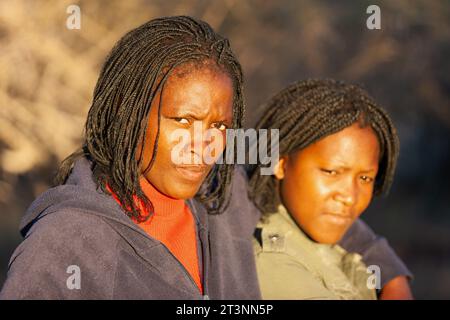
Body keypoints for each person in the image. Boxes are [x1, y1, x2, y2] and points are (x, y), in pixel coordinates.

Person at [1, 17, 410, 300]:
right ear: (127, 113)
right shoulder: (65, 243)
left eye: (219, 125)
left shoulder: (225, 196)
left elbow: (328, 205)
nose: (204, 145)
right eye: (183, 119)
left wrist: (391, 279)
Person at [248, 79, 413, 299]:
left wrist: (393, 279)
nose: (349, 196)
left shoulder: (335, 240)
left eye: (365, 178)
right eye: (331, 172)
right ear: (280, 162)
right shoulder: (274, 265)